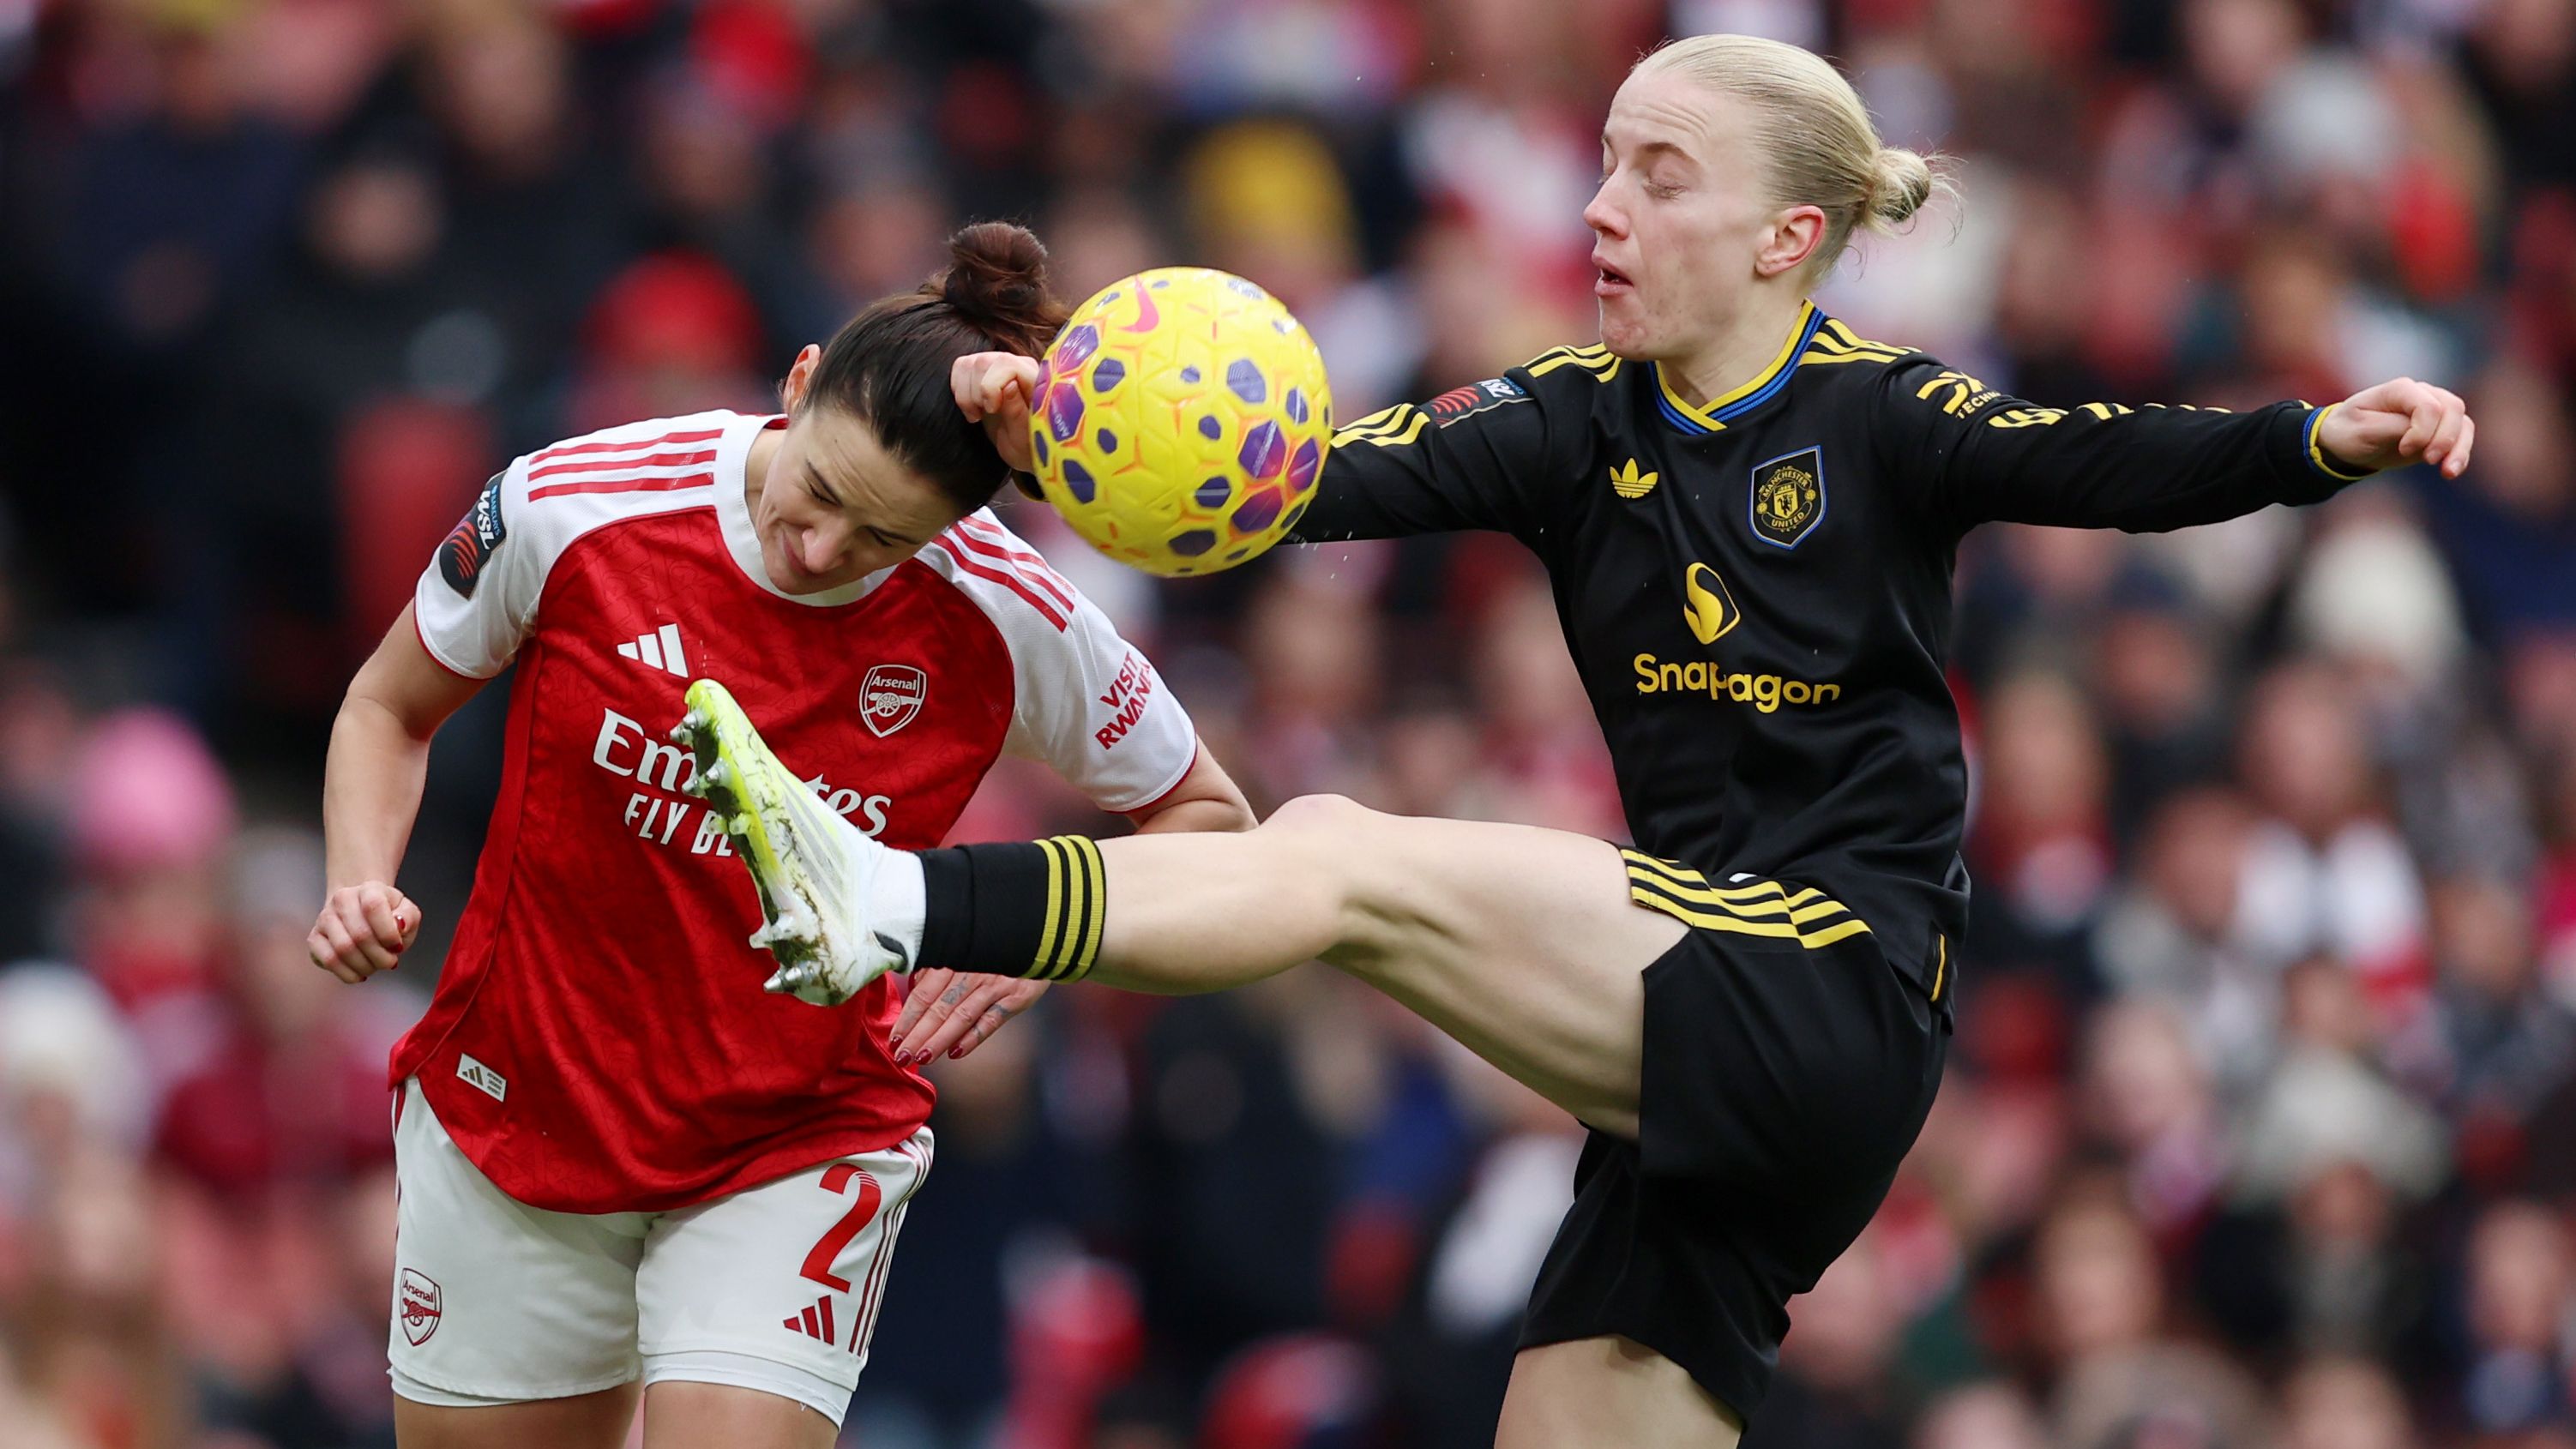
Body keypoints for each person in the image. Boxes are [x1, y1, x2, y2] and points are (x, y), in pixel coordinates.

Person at [676, 36, 2475, 1449]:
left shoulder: (1880, 413)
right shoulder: (1565, 421)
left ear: (1786, 239)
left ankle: (891, 897)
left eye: (1658, 175)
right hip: (1683, 1037)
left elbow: (2101, 455)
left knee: (1336, 848)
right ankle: (911, 902)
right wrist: (1051, 409)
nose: (1601, 208)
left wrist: (2314, 439)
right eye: (1604, 162)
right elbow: (1277, 486)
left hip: (1826, 989)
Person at [306, 222, 1250, 1449]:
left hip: (795, 1134)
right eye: (824, 495)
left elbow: (1211, 819)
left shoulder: (1008, 613)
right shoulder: (573, 502)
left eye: (884, 539)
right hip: (520, 1101)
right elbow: (388, 708)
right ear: (798, 383)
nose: (821, 552)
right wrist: (357, 879)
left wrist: (1043, 928)